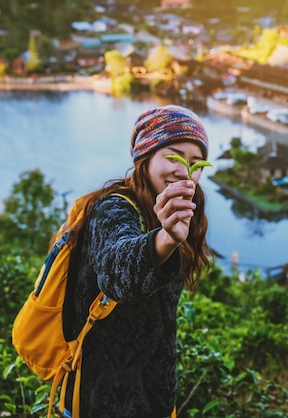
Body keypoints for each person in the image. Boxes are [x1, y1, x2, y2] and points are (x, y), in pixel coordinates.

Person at [57, 105, 212, 418]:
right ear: (146, 157)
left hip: (152, 401)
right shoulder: (112, 209)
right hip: (101, 402)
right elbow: (117, 275)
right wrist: (165, 240)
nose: (184, 171)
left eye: (196, 163)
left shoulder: (180, 216)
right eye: (174, 155)